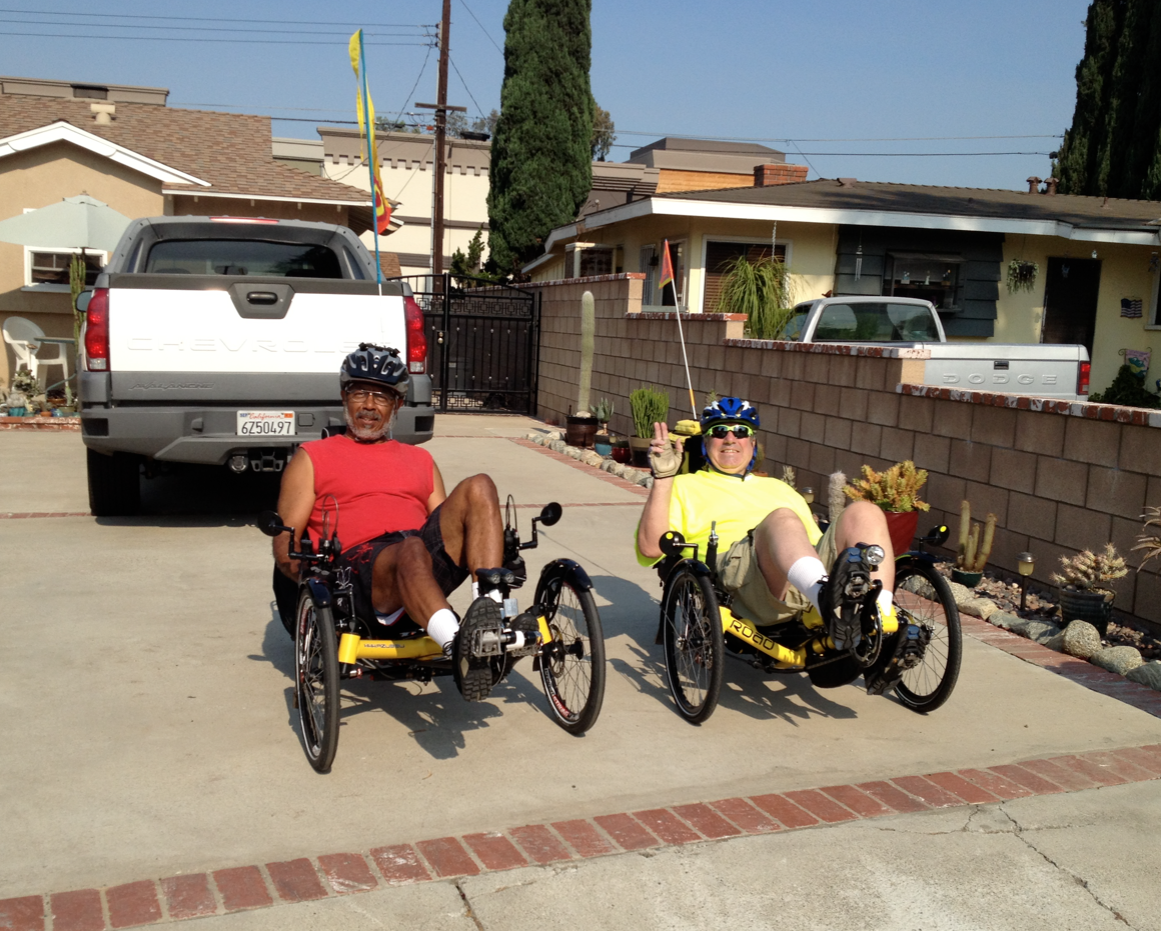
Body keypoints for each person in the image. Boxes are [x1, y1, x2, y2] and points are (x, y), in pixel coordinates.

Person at [272, 343, 523, 701]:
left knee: (479, 486)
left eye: (382, 397)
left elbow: (447, 526)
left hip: (417, 562)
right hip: (359, 575)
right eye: (360, 393)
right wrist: (304, 580)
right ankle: (459, 646)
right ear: (345, 397)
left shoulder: (419, 459)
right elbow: (287, 538)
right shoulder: (313, 457)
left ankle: (491, 618)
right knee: (410, 547)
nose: (369, 406)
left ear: (398, 405)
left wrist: (491, 539)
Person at [635, 397, 899, 671]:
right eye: (718, 431)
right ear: (705, 443)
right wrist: (663, 478)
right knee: (781, 518)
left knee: (864, 511)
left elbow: (812, 543)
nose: (729, 439)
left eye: (740, 431)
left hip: (802, 583)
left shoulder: (780, 488)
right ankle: (826, 601)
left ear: (752, 443)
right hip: (742, 585)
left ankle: (879, 617)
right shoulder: (683, 486)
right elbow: (651, 548)